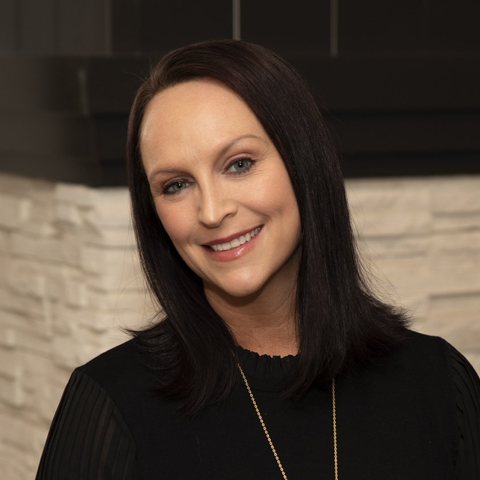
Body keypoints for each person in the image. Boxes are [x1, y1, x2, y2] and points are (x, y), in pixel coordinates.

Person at [36, 39, 480, 479]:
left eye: (239, 164)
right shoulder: (110, 405)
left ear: (303, 161)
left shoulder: (440, 384)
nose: (211, 212)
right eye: (175, 185)